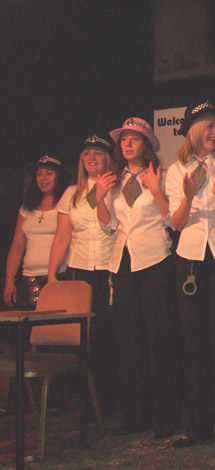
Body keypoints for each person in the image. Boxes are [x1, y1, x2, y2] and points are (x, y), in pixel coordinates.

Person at [165, 100, 215, 449]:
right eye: (209, 126)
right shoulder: (175, 170)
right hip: (190, 259)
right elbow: (177, 224)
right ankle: (196, 426)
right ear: (194, 131)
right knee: (194, 344)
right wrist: (187, 196)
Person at [95, 117, 180, 438]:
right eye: (124, 139)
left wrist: (156, 190)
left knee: (160, 342)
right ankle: (136, 415)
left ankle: (166, 418)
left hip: (155, 259)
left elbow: (174, 220)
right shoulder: (112, 178)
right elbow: (107, 225)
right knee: (129, 343)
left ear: (147, 144)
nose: (128, 144)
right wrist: (102, 197)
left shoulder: (163, 174)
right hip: (123, 262)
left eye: (135, 138)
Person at [47, 133, 118, 414]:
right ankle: (86, 405)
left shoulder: (119, 186)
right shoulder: (70, 193)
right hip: (80, 271)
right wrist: (53, 277)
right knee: (84, 338)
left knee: (108, 336)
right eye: (87, 153)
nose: (91, 158)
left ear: (108, 159)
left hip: (109, 270)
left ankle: (111, 401)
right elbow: (62, 236)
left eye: (97, 153)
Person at [4, 155, 69, 310]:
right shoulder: (27, 208)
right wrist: (9, 281)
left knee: (54, 329)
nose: (43, 178)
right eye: (39, 174)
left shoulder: (67, 203)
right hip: (27, 278)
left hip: (58, 276)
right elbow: (17, 246)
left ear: (58, 177)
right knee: (28, 330)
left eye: (49, 174)